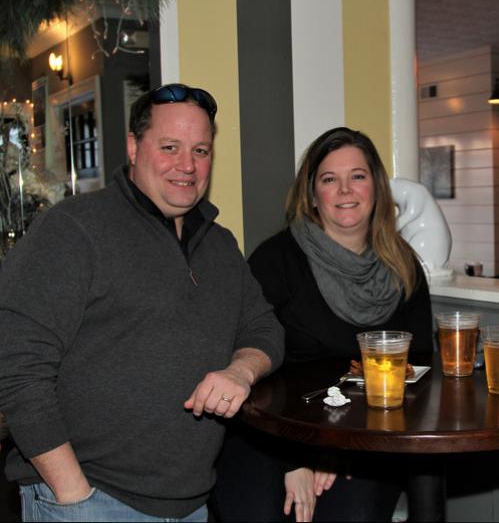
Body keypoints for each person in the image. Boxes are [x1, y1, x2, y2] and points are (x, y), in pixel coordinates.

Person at [0, 83, 285, 522]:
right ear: (134, 147)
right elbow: (17, 367)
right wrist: (72, 493)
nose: (187, 166)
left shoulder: (220, 245)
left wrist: (240, 370)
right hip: (91, 501)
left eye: (201, 150)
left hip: (191, 504)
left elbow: (264, 330)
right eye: (170, 147)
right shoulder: (73, 229)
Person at [212, 127, 433, 522]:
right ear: (313, 195)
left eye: (358, 176)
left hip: (368, 439)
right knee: (262, 514)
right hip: (269, 436)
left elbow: (414, 375)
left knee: (351, 514)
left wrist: (340, 446)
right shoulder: (275, 261)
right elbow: (242, 360)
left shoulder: (405, 267)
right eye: (330, 180)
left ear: (377, 188)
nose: (346, 190)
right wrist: (296, 456)